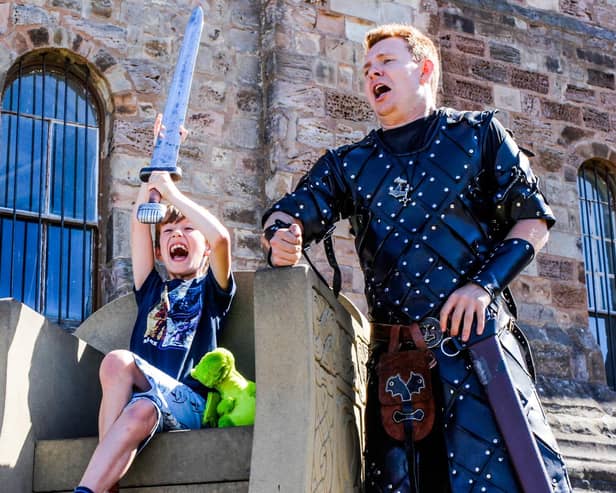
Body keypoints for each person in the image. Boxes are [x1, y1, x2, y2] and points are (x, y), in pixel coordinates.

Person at [261, 23, 571, 493]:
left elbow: (533, 221)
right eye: (366, 69)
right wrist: (284, 235)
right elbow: (290, 212)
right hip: (398, 369)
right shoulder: (349, 164)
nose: (372, 74)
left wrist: (482, 286)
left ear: (423, 69)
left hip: (480, 351)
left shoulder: (480, 135)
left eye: (385, 63)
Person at [74, 120, 235, 493]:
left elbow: (222, 238)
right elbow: (138, 223)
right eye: (168, 233)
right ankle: (101, 486)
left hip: (190, 403)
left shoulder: (213, 291)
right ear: (160, 251)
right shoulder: (152, 289)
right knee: (139, 408)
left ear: (204, 248)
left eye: (188, 231)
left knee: (119, 360)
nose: (178, 234)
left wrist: (172, 193)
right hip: (149, 402)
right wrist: (158, 158)